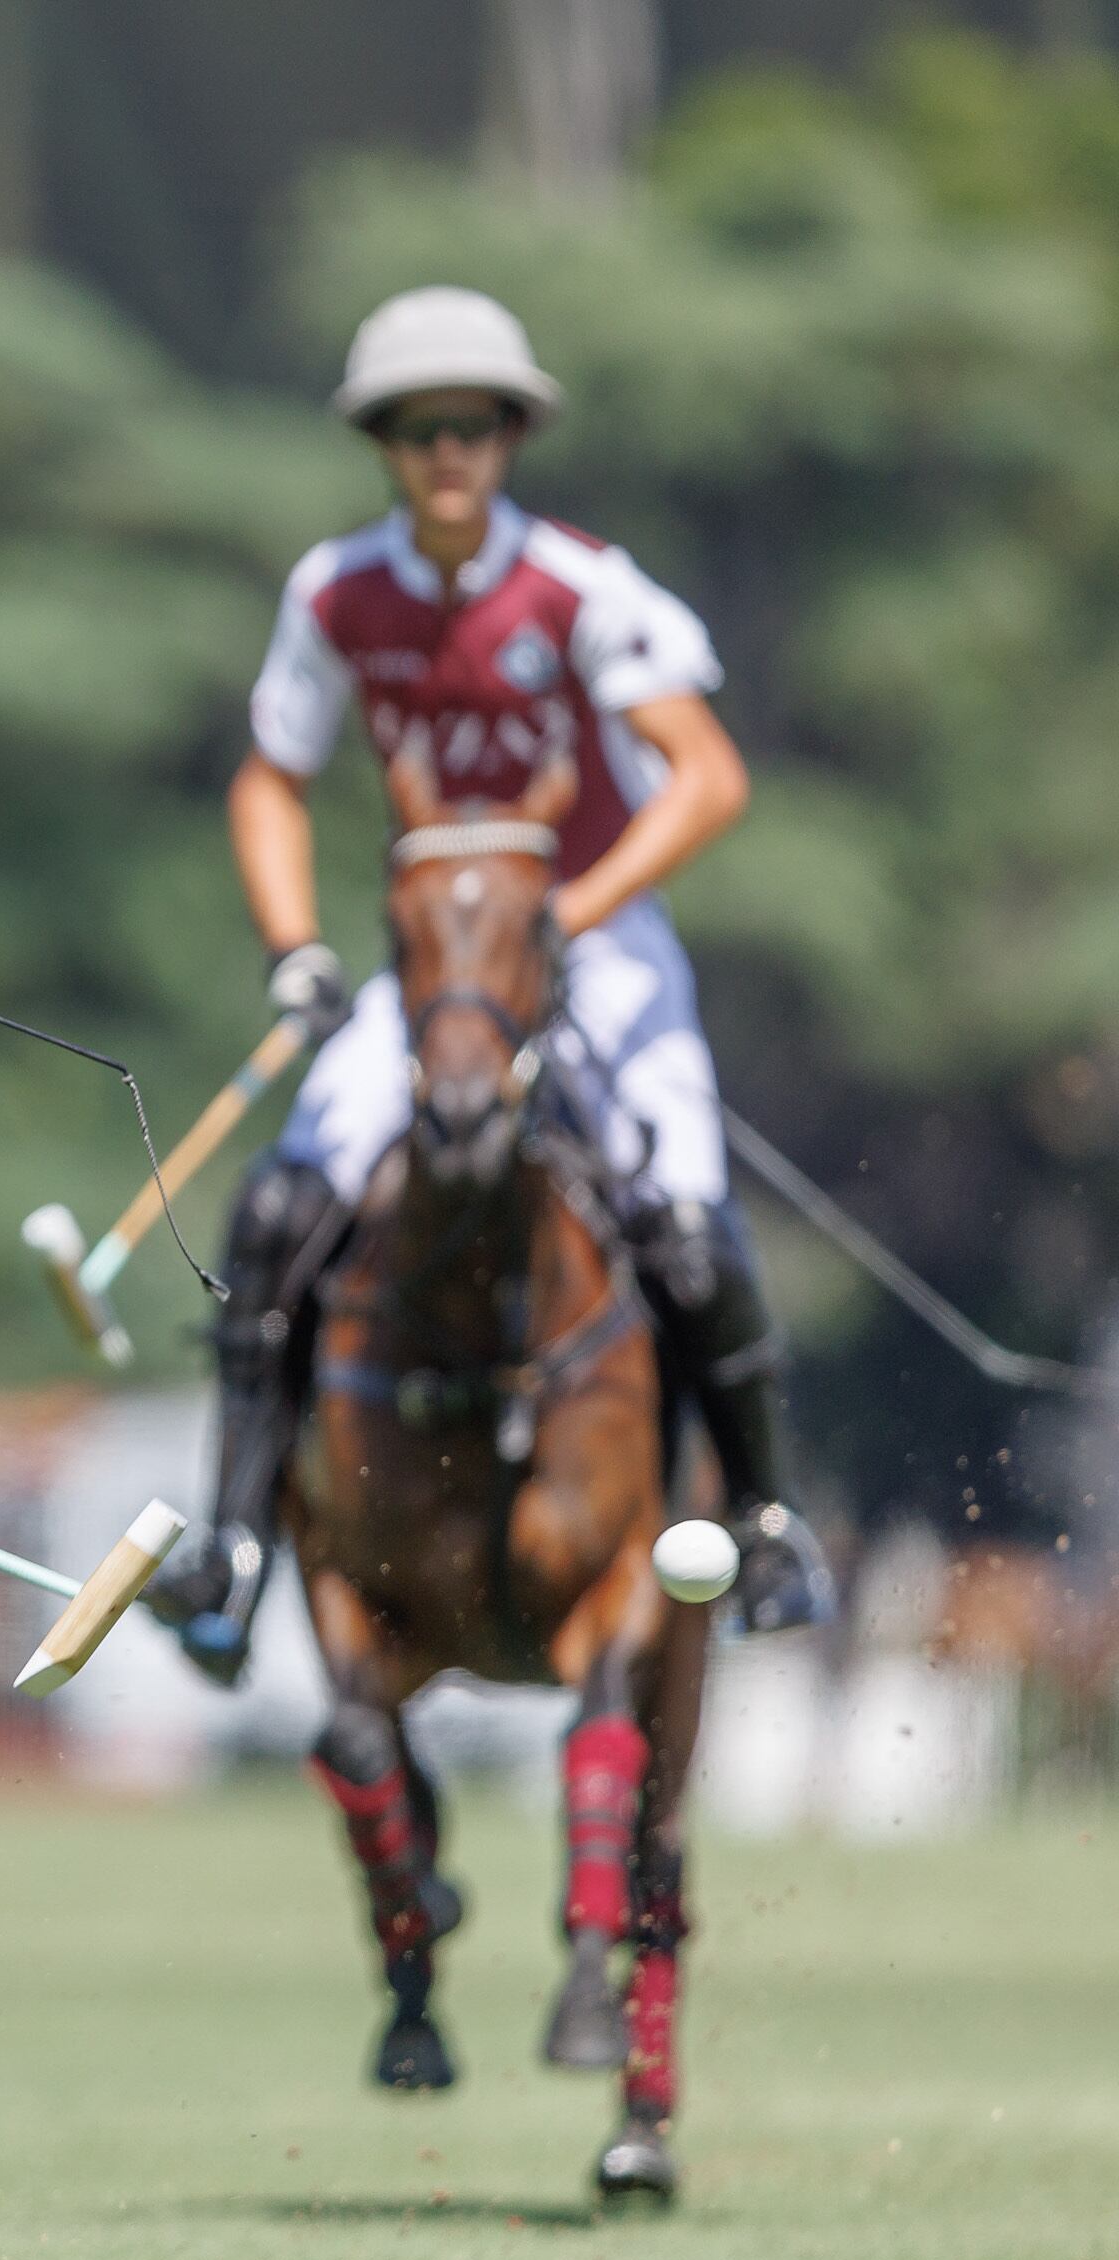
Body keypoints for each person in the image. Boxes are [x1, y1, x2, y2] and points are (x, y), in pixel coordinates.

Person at [145, 284, 835, 1684]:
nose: (446, 451)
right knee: (284, 1206)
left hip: (598, 934)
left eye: (471, 426)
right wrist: (298, 946)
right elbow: (271, 779)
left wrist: (568, 914)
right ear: (384, 446)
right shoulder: (335, 591)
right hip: (438, 960)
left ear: (512, 434)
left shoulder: (580, 586)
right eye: (416, 429)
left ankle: (764, 1520)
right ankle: (233, 1544)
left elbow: (708, 778)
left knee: (688, 1225)